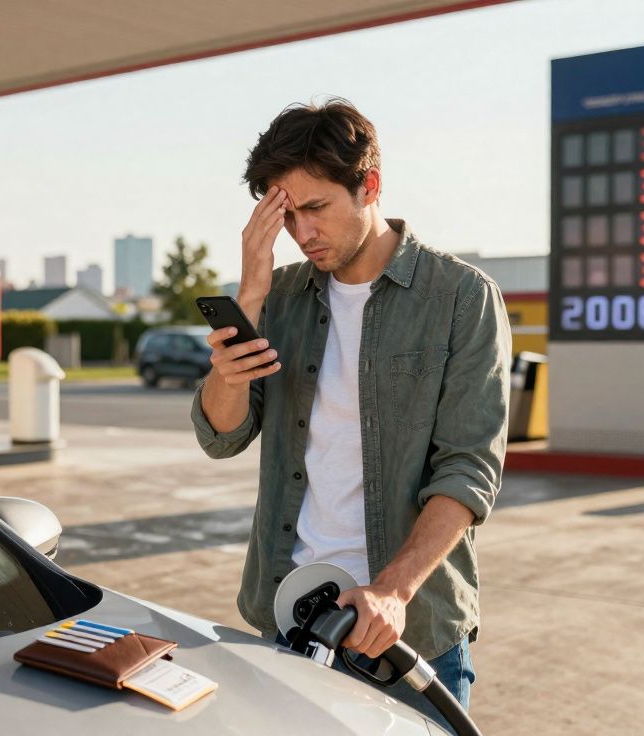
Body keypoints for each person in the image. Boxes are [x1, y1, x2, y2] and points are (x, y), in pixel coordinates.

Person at [190, 98, 511, 719]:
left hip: (405, 630)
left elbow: (469, 469)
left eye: (316, 208)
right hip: (288, 616)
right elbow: (221, 436)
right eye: (287, 216)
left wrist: (392, 590)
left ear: (370, 186)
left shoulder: (461, 298)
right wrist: (250, 296)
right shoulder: (279, 298)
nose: (302, 233)